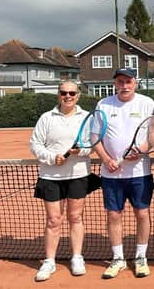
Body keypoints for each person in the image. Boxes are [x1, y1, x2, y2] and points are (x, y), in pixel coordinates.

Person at [30, 81, 99, 281]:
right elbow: (35, 144)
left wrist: (81, 151)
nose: (67, 96)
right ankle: (49, 261)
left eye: (72, 93)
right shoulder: (47, 118)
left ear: (78, 95)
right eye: (63, 93)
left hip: (78, 175)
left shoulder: (86, 117)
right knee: (53, 220)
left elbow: (91, 146)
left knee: (75, 217)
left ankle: (77, 257)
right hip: (50, 177)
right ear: (58, 95)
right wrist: (52, 157)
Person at [93, 68, 154, 279]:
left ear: (135, 83)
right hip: (111, 175)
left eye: (128, 81)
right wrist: (106, 159)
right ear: (115, 84)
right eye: (120, 82)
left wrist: (141, 150)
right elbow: (96, 138)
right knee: (113, 215)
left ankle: (141, 257)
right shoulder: (103, 104)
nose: (124, 85)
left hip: (140, 172)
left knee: (142, 214)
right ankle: (118, 258)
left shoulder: (147, 103)